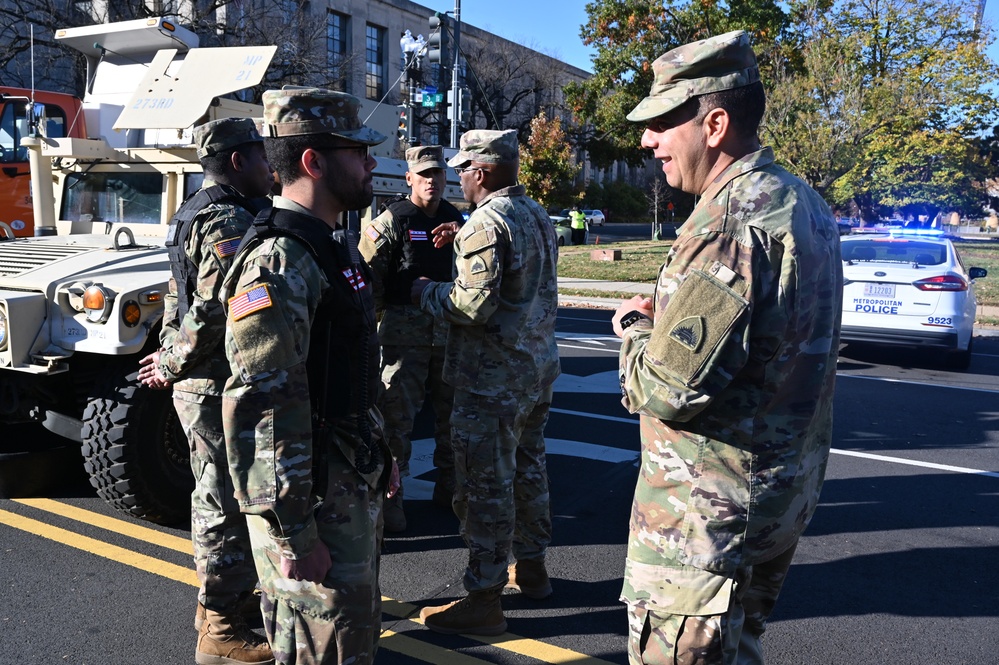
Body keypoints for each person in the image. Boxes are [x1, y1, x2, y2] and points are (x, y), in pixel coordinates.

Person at [610, 31, 843, 665]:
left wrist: (632, 329)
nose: (646, 140)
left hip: (705, 523)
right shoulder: (800, 202)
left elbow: (666, 389)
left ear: (714, 124)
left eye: (662, 122)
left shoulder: (728, 223)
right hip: (771, 500)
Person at [220, 88, 393, 665]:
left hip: (344, 478)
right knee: (322, 649)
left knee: (349, 640)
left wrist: (380, 448)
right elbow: (262, 404)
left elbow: (352, 364)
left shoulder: (329, 245)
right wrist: (292, 532)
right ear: (314, 161)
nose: (371, 163)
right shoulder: (280, 259)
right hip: (311, 500)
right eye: (359, 151)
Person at [136, 117, 275, 665]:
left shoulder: (202, 208)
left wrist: (171, 354)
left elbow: (182, 295)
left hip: (203, 374)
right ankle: (220, 628)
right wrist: (172, 360)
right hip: (211, 379)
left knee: (223, 493)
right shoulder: (223, 218)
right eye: (262, 157)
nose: (271, 167)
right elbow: (217, 305)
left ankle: (221, 611)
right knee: (221, 500)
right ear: (238, 161)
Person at [411, 129, 560, 636]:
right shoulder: (535, 214)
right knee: (528, 470)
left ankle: (484, 597)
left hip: (490, 379)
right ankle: (533, 569)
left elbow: (470, 306)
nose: (457, 178)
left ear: (483, 171)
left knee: (483, 487)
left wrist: (428, 291)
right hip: (535, 371)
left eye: (463, 170)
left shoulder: (486, 224)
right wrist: (464, 244)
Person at [358, 144, 464, 533]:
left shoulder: (459, 221)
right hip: (405, 340)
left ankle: (450, 490)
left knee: (453, 421)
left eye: (437, 174)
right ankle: (393, 500)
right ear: (409, 179)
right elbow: (368, 281)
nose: (432, 181)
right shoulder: (392, 221)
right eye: (424, 175)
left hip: (450, 336)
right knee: (397, 424)